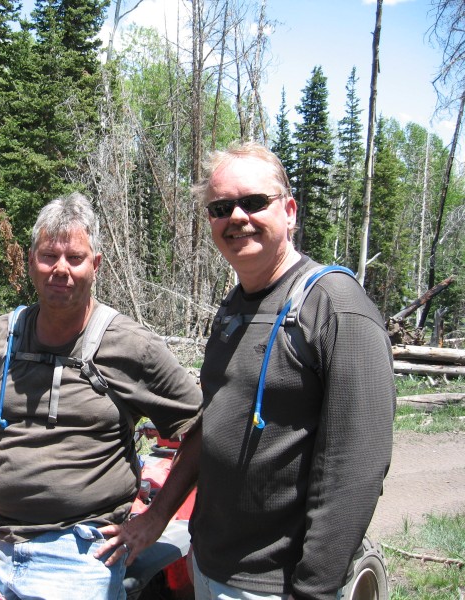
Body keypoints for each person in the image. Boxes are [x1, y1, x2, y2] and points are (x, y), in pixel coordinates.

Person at [98, 141, 395, 599]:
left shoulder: (334, 308)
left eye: (254, 202)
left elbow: (354, 473)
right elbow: (211, 430)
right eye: (221, 207)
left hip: (278, 585)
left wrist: (313, 590)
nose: (237, 217)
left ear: (290, 211)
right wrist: (158, 518)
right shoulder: (234, 308)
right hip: (210, 565)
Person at [0, 192, 202, 600]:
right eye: (49, 256)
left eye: (75, 258)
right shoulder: (2, 335)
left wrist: (154, 520)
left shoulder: (130, 346)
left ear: (95, 265)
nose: (60, 270)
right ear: (30, 261)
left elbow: (200, 429)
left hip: (80, 553)